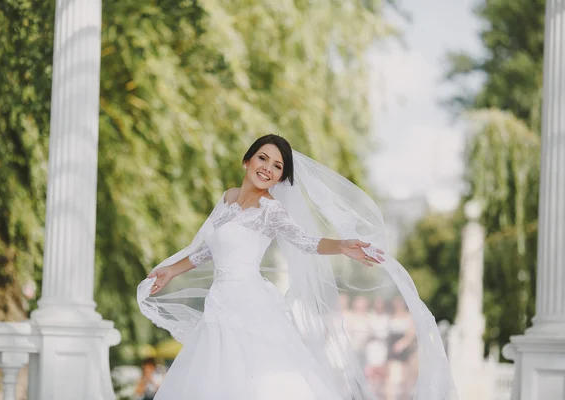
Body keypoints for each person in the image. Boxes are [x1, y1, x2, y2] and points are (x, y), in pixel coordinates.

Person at [137, 135, 457, 399]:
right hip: (218, 305)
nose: (268, 168)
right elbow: (210, 247)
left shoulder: (270, 210)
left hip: (250, 306)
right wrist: (171, 270)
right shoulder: (228, 198)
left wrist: (343, 246)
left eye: (277, 166)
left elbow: (305, 241)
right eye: (263, 158)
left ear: (280, 177)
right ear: (247, 161)